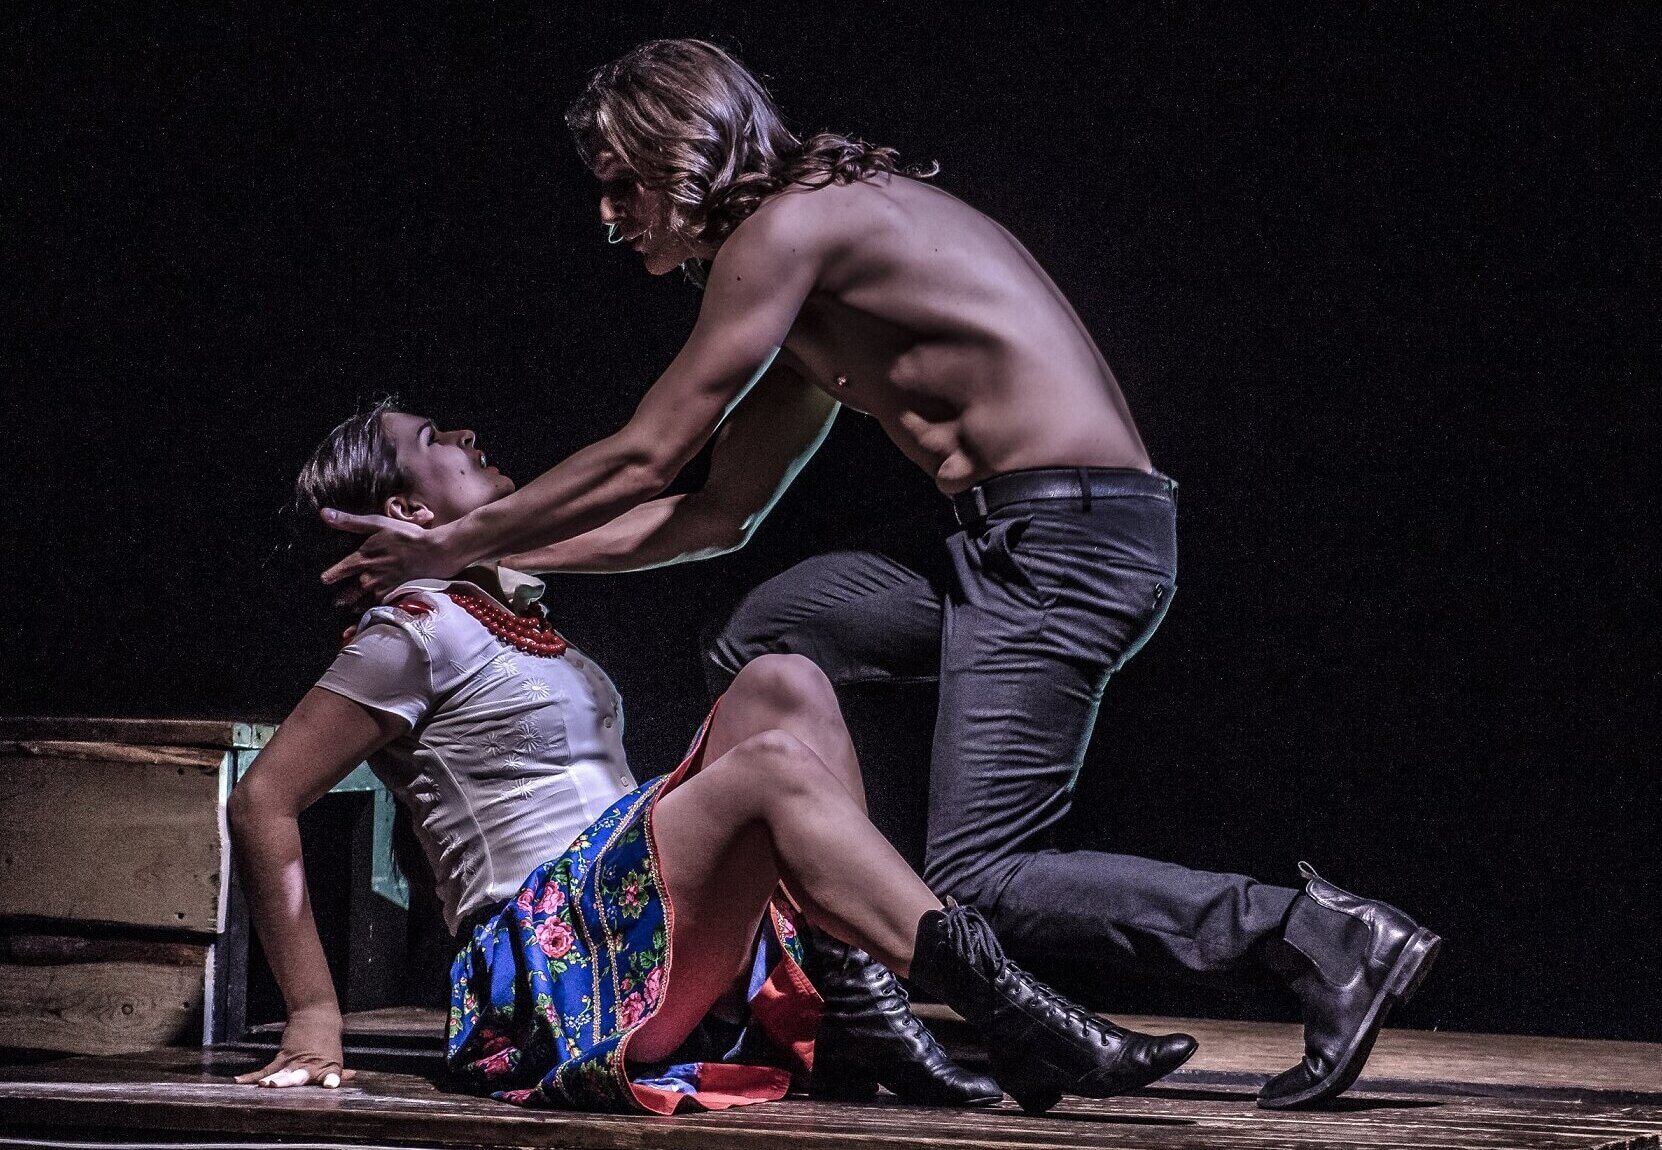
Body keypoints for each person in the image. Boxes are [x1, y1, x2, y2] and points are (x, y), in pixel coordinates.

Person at [315, 40, 1441, 1109]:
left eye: (620, 184)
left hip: (1070, 540)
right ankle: (858, 984)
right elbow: (715, 511)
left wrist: (452, 543)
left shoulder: (787, 232)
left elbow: (649, 453)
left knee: (982, 877)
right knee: (771, 641)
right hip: (1007, 543)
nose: (607, 216)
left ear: (678, 152)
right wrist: (496, 552)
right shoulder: (811, 279)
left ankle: (1313, 934)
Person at [230, 401, 1197, 1115]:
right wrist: (313, 1014)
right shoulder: (410, 627)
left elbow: (701, 515)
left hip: (631, 928)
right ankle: (1009, 1011)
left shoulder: (504, 609)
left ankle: (864, 1004)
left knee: (784, 680)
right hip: (549, 974)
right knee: (771, 763)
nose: (468, 434)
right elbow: (263, 799)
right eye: (434, 438)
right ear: (406, 504)